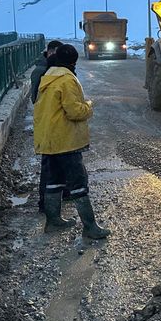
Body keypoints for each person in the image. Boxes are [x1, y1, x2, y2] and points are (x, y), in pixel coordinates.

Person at [33, 44, 110, 239]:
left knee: (54, 180)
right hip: (65, 140)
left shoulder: (48, 76)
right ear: (73, 62)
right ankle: (90, 226)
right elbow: (74, 111)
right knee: (78, 182)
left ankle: (53, 221)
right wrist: (89, 107)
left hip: (49, 139)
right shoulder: (66, 80)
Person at [31, 40, 63, 212]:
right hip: (49, 125)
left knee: (57, 163)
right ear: (50, 52)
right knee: (49, 165)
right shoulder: (42, 71)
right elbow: (36, 99)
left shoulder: (50, 69)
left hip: (52, 124)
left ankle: (60, 195)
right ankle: (45, 203)